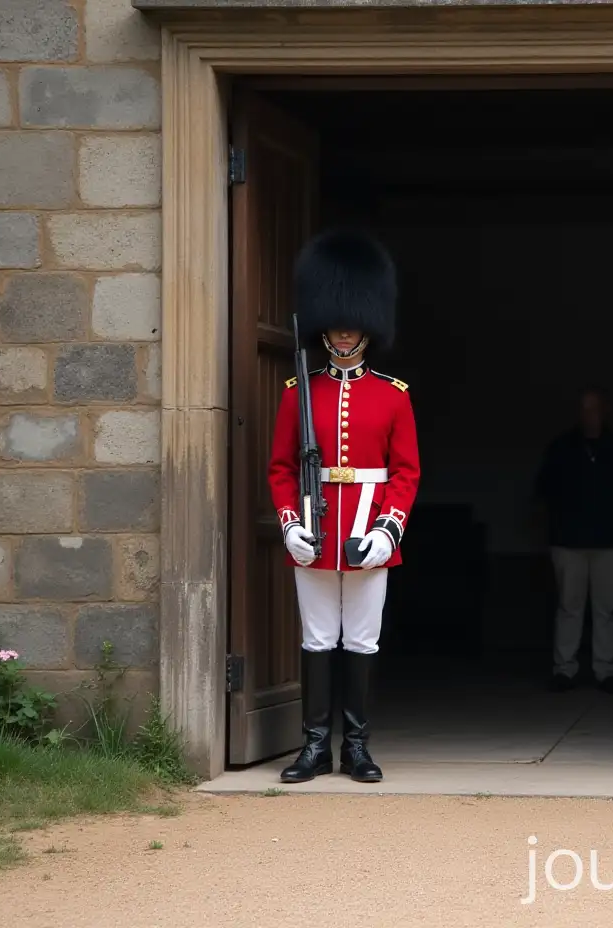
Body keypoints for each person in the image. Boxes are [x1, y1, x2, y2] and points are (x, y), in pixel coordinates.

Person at [267, 228, 420, 784]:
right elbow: (282, 468)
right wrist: (290, 524)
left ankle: (356, 747)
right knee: (315, 639)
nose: (345, 330)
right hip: (315, 528)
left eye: (353, 321)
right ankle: (313, 748)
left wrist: (387, 530)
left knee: (360, 640)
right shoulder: (297, 391)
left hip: (367, 530)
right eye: (336, 321)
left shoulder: (393, 394)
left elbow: (405, 473)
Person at [534, 388, 613, 694]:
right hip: (567, 543)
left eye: (594, 409)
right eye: (584, 409)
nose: (589, 415)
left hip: (610, 543)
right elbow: (542, 495)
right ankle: (564, 670)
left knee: (606, 609)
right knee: (569, 608)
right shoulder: (561, 448)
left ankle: (605, 671)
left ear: (604, 411)